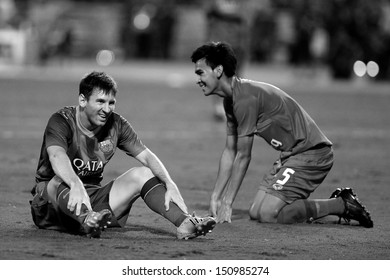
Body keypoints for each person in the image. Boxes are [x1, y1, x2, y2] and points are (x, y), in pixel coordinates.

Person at [190, 41, 373, 228]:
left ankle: (341, 204)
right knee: (256, 212)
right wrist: (216, 197)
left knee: (269, 214)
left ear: (218, 70)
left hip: (312, 154)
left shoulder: (244, 100)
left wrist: (227, 203)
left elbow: (243, 156)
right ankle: (308, 206)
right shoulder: (230, 101)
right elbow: (230, 151)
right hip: (291, 155)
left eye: (200, 72)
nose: (197, 79)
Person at [30, 71, 216, 239]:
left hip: (93, 201)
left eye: (111, 102)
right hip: (50, 207)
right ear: (82, 100)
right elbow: (56, 156)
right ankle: (87, 219)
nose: (107, 109)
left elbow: (147, 156)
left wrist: (170, 183)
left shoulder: (117, 124)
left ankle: (183, 223)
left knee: (143, 173)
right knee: (56, 181)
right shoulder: (61, 120)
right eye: (100, 102)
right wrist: (74, 183)